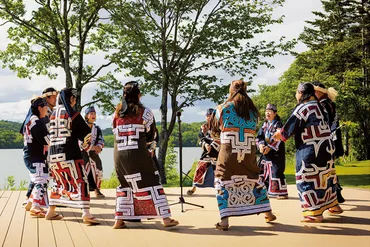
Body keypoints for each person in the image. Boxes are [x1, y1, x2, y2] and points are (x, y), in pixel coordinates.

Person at [211, 80, 276, 231]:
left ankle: (225, 221)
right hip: (248, 150)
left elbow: (213, 130)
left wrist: (221, 138)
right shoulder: (253, 111)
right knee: (253, 177)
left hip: (228, 149)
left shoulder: (222, 108)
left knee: (222, 179)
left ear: (231, 90)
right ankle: (268, 213)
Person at [112, 81, 178, 229]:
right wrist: (151, 149)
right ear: (138, 95)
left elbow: (114, 131)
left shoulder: (116, 113)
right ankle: (166, 219)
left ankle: (119, 220)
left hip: (119, 154)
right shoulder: (144, 112)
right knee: (152, 180)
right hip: (137, 153)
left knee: (125, 184)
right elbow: (152, 135)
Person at [273, 82, 343, 223]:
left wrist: (277, 134)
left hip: (310, 149)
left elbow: (286, 133)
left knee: (306, 177)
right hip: (327, 147)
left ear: (302, 93)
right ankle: (333, 205)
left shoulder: (302, 109)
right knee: (326, 175)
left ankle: (314, 213)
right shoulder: (322, 106)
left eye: (297, 92)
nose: (296, 95)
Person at [47, 87, 100, 224]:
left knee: (59, 181)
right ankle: (86, 214)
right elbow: (86, 135)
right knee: (82, 181)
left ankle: (51, 210)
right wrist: (86, 148)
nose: (75, 101)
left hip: (52, 154)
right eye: (74, 98)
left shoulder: (52, 114)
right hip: (69, 153)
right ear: (71, 99)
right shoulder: (72, 114)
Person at [20, 97, 62, 220]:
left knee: (38, 179)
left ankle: (30, 203)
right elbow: (46, 140)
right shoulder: (36, 121)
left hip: (31, 154)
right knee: (41, 180)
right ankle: (36, 206)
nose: (47, 111)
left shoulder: (30, 120)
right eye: (45, 108)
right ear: (39, 108)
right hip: (34, 156)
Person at [312, 81, 345, 203]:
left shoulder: (323, 105)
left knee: (327, 168)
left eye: (314, 91)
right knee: (329, 168)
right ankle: (335, 193)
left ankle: (334, 193)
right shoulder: (329, 103)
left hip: (328, 140)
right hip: (332, 139)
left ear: (319, 92)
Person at [256, 104, 288, 199]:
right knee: (261, 171)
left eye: (270, 111)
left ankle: (281, 193)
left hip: (275, 153)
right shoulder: (264, 124)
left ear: (275, 113)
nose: (267, 113)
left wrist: (269, 147)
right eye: (266, 111)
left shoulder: (278, 124)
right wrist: (261, 145)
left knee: (276, 171)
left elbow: (279, 138)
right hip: (265, 153)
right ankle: (263, 191)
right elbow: (259, 137)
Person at [187, 108, 219, 195]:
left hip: (217, 151)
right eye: (207, 116)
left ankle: (219, 188)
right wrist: (205, 144)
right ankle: (194, 187)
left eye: (210, 116)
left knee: (218, 170)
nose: (208, 118)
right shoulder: (204, 127)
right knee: (200, 168)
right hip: (206, 151)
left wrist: (213, 144)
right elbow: (200, 138)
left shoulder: (219, 127)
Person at [81, 106, 105, 198]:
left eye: (94, 114)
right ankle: (83, 192)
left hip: (93, 154)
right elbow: (80, 142)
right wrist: (93, 147)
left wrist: (99, 146)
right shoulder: (82, 127)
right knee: (84, 172)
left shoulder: (97, 128)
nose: (93, 115)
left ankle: (97, 189)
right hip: (82, 153)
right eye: (91, 113)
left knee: (98, 170)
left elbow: (100, 139)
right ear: (87, 116)